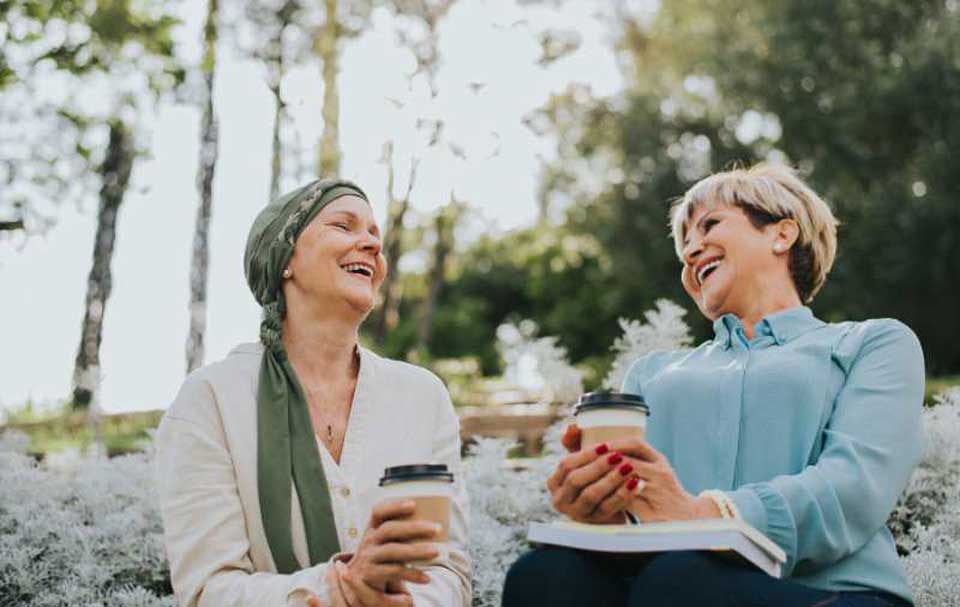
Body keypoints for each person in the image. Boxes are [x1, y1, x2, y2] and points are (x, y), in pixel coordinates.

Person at [503, 163, 924, 606]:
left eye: (710, 225)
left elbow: (854, 487)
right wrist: (598, 505)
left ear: (782, 234)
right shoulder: (651, 373)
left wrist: (708, 516)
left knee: (680, 579)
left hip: (833, 595)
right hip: (671, 584)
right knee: (546, 574)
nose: (690, 251)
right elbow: (640, 515)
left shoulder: (872, 344)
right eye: (684, 243)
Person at [155, 179, 470, 607]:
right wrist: (338, 589)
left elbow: (448, 570)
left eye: (375, 235)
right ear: (285, 259)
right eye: (344, 226)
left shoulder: (423, 396)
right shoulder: (210, 400)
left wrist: (407, 603)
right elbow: (208, 590)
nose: (372, 245)